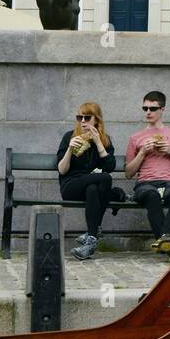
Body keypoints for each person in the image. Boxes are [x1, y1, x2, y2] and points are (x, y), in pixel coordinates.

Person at [125, 91, 170, 262]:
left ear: (162, 109)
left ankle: (165, 239)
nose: (148, 112)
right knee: (151, 195)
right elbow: (129, 173)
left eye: (152, 108)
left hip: (169, 181)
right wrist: (143, 153)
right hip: (145, 183)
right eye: (145, 108)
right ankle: (169, 241)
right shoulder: (135, 137)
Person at [56, 102, 116, 260]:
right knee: (105, 178)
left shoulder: (105, 140)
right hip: (71, 186)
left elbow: (110, 166)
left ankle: (90, 241)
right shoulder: (69, 137)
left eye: (87, 117)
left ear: (96, 120)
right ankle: (95, 231)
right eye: (79, 117)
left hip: (90, 190)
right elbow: (62, 170)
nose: (82, 121)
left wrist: (98, 142)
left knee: (93, 189)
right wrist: (70, 149)